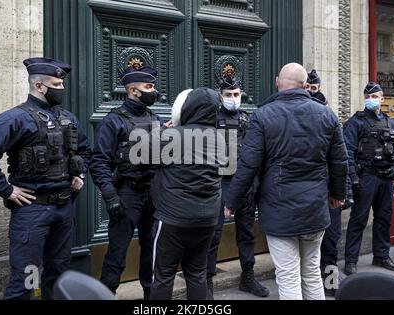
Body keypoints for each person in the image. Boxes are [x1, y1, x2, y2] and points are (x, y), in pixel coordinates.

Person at [0, 57, 91, 300]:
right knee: (27, 277)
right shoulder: (15, 118)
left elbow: (84, 150)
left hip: (64, 208)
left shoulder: (68, 118)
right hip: (32, 211)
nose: (62, 89)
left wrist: (79, 173)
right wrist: (6, 189)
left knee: (57, 273)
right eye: (56, 84)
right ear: (39, 86)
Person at [224, 63, 348, 300]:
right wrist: (337, 196)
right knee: (311, 272)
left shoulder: (262, 115)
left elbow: (248, 165)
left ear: (277, 82)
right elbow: (340, 163)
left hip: (279, 210)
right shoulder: (326, 114)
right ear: (305, 85)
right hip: (314, 208)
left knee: (288, 275)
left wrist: (232, 202)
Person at [90, 66, 161, 300]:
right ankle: (106, 294)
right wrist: (110, 196)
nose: (154, 91)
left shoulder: (155, 119)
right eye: (148, 87)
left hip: (154, 195)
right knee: (117, 252)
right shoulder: (113, 121)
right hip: (127, 194)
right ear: (133, 90)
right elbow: (99, 162)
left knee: (151, 252)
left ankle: (151, 298)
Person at [149, 88, 223, 300]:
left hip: (174, 218)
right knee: (197, 273)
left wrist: (161, 131)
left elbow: (138, 155)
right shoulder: (221, 138)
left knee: (163, 275)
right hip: (207, 218)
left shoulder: (172, 136)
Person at [206, 77, 269, 299]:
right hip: (219, 182)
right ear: (220, 95)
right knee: (213, 235)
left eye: (236, 94)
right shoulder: (210, 119)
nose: (233, 99)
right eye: (228, 94)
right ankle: (207, 283)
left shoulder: (249, 120)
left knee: (246, 233)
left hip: (244, 184)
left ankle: (248, 277)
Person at [343, 82, 394, 276]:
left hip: (386, 178)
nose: (373, 100)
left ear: (382, 98)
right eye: (369, 97)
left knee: (383, 219)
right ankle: (351, 260)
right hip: (366, 177)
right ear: (365, 99)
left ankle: (381, 255)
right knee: (358, 220)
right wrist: (353, 178)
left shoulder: (391, 123)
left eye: (376, 96)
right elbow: (347, 152)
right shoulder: (356, 123)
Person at [307, 69, 344, 296]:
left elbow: (341, 160)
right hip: (311, 192)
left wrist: (343, 192)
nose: (313, 91)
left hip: (329, 192)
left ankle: (330, 283)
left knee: (331, 241)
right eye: (309, 87)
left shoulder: (330, 119)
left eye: (315, 87)